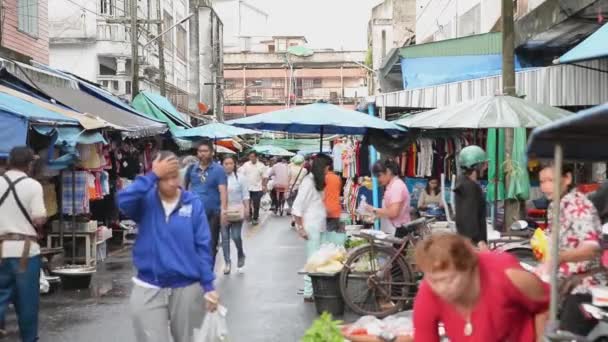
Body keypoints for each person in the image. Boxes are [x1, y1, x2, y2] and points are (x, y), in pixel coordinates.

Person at [118, 152, 218, 342]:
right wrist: (153, 175)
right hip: (148, 285)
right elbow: (123, 200)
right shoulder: (145, 202)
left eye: (175, 176)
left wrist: (208, 286)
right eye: (166, 178)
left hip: (186, 286)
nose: (172, 183)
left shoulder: (192, 203)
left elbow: (203, 247)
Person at [413, 233, 549, 341]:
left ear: (468, 268)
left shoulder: (507, 275)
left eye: (449, 280)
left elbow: (546, 305)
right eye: (434, 281)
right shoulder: (428, 291)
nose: (441, 288)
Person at [539, 162, 606, 336]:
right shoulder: (555, 206)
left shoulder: (578, 205)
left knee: (567, 335)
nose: (545, 186)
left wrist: (559, 258)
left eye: (551, 180)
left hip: (584, 288)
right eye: (542, 181)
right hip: (563, 286)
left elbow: (592, 249)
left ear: (567, 178)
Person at [0, 147, 46, 342]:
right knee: (27, 303)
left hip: (1, 250)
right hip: (26, 253)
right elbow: (39, 218)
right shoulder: (33, 185)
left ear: (9, 161)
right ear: (29, 164)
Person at [292, 154, 331, 302]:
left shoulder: (316, 181)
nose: (328, 171)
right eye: (327, 168)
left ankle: (313, 289)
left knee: (316, 258)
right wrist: (300, 228)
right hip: (312, 226)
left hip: (319, 225)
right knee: (312, 259)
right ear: (322, 167)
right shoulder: (308, 182)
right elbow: (297, 207)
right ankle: (309, 291)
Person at [185, 141, 228, 269]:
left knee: (210, 243)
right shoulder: (192, 169)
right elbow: (183, 189)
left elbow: (223, 191)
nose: (202, 154)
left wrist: (224, 211)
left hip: (213, 213)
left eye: (205, 151)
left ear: (211, 153)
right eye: (200, 151)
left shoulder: (219, 170)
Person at [453, 145, 487, 246]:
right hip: (472, 243)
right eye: (483, 164)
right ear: (476, 166)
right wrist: (479, 242)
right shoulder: (469, 187)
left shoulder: (464, 183)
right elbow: (468, 217)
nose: (486, 167)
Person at [367, 159, 411, 237]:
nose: (378, 179)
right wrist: (377, 215)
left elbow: (393, 212)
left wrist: (374, 210)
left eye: (379, 175)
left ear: (388, 171)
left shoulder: (396, 186)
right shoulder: (391, 186)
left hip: (399, 231)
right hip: (393, 229)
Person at [220, 156, 249, 275]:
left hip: (237, 211)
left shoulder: (240, 178)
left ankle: (240, 253)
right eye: (226, 163)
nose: (228, 166)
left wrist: (247, 208)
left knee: (236, 236)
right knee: (225, 239)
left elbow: (245, 195)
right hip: (223, 212)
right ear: (222, 165)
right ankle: (227, 263)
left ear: (234, 165)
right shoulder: (219, 179)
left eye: (230, 163)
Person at [239, 151, 266, 226]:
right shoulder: (246, 165)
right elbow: (241, 174)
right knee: (248, 203)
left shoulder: (261, 166)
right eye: (250, 157)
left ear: (256, 157)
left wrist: (264, 186)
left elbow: (265, 177)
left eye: (253, 157)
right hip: (247, 188)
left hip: (257, 188)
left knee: (256, 203)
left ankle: (255, 217)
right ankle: (250, 214)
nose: (252, 158)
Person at [324, 165, 342, 232]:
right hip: (336, 208)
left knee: (328, 232)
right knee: (335, 231)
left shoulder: (323, 178)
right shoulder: (338, 178)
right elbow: (339, 190)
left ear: (327, 168)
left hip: (326, 208)